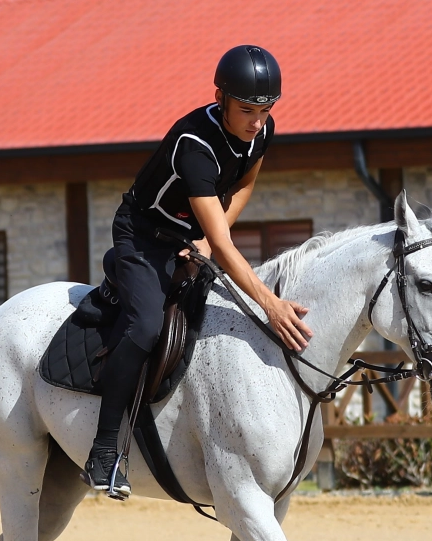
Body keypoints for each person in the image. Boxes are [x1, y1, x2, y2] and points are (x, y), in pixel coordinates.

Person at [83, 45, 315, 498]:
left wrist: (210, 238)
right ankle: (104, 450)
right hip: (142, 233)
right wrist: (268, 302)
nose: (256, 121)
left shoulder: (260, 133)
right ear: (220, 97)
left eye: (265, 110)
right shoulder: (195, 146)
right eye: (246, 109)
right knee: (147, 326)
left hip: (189, 237)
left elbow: (245, 186)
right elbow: (227, 251)